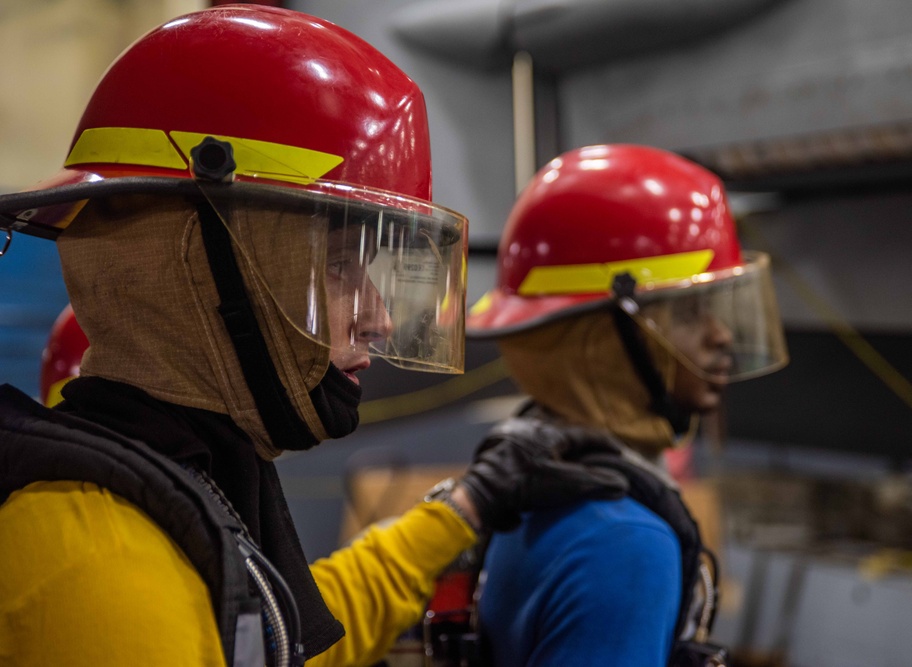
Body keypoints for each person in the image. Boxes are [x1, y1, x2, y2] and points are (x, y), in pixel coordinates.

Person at [0, 7, 627, 667]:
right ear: (195, 263)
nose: (379, 317)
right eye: (335, 265)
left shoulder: (171, 491)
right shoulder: (96, 565)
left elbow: (286, 639)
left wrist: (464, 505)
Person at [465, 144, 789, 666]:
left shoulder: (536, 481)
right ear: (605, 343)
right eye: (688, 313)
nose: (722, 334)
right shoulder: (626, 544)